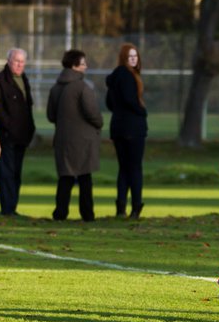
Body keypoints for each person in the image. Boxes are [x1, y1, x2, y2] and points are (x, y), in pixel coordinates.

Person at [47, 49, 103, 222]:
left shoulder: (56, 88)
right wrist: (99, 123)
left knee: (65, 178)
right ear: (75, 66)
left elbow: (51, 115)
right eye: (83, 63)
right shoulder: (82, 87)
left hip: (63, 139)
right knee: (85, 178)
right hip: (83, 141)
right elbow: (92, 112)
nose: (86, 66)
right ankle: (87, 214)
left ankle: (60, 213)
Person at [0, 48, 36, 217]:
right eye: (16, 61)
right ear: (9, 61)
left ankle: (12, 208)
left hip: (21, 137)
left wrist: (30, 128)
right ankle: (7, 210)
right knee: (6, 173)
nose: (19, 64)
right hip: (5, 137)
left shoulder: (24, 79)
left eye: (22, 62)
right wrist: (9, 126)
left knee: (16, 174)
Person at [106, 42, 148, 218]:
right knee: (135, 168)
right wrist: (142, 111)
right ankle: (136, 207)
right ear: (124, 58)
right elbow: (130, 100)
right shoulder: (127, 76)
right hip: (132, 128)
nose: (133, 59)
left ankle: (121, 207)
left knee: (124, 168)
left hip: (118, 127)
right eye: (130, 56)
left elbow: (109, 102)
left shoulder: (114, 77)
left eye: (135, 56)